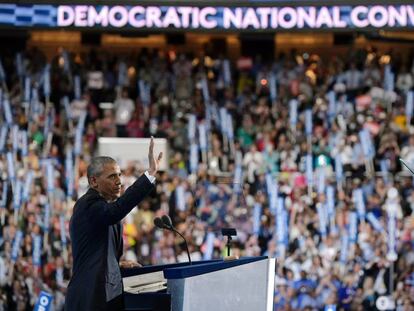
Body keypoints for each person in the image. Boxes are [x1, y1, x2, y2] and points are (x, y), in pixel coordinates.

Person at [64, 137, 163, 311]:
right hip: (90, 298)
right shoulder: (88, 205)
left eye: (119, 174)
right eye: (112, 177)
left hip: (108, 297)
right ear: (94, 181)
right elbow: (114, 212)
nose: (119, 181)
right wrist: (149, 175)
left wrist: (115, 266)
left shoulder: (104, 208)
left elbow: (98, 252)